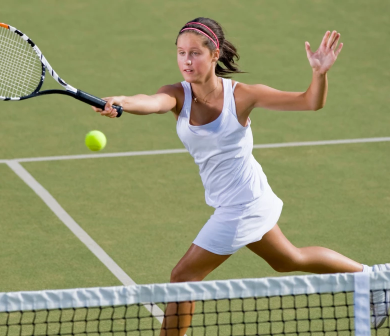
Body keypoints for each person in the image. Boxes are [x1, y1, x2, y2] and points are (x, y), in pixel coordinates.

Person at [92, 17, 389, 335]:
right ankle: (378, 278)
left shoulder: (243, 96)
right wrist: (122, 101)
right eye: (180, 53)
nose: (186, 61)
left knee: (183, 278)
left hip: (244, 203)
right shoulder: (177, 94)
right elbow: (150, 102)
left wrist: (319, 74)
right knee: (288, 259)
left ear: (214, 54)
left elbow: (310, 102)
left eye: (195, 53)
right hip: (235, 199)